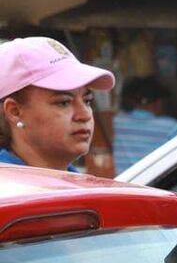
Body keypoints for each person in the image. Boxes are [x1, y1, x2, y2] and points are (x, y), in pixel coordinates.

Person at [0, 37, 115, 172]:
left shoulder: (78, 186)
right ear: (14, 111)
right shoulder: (9, 188)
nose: (84, 115)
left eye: (87, 100)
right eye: (64, 102)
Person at [112, 75, 177, 174]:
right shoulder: (171, 127)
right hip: (153, 185)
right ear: (159, 102)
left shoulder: (116, 122)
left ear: (132, 101)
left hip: (120, 184)